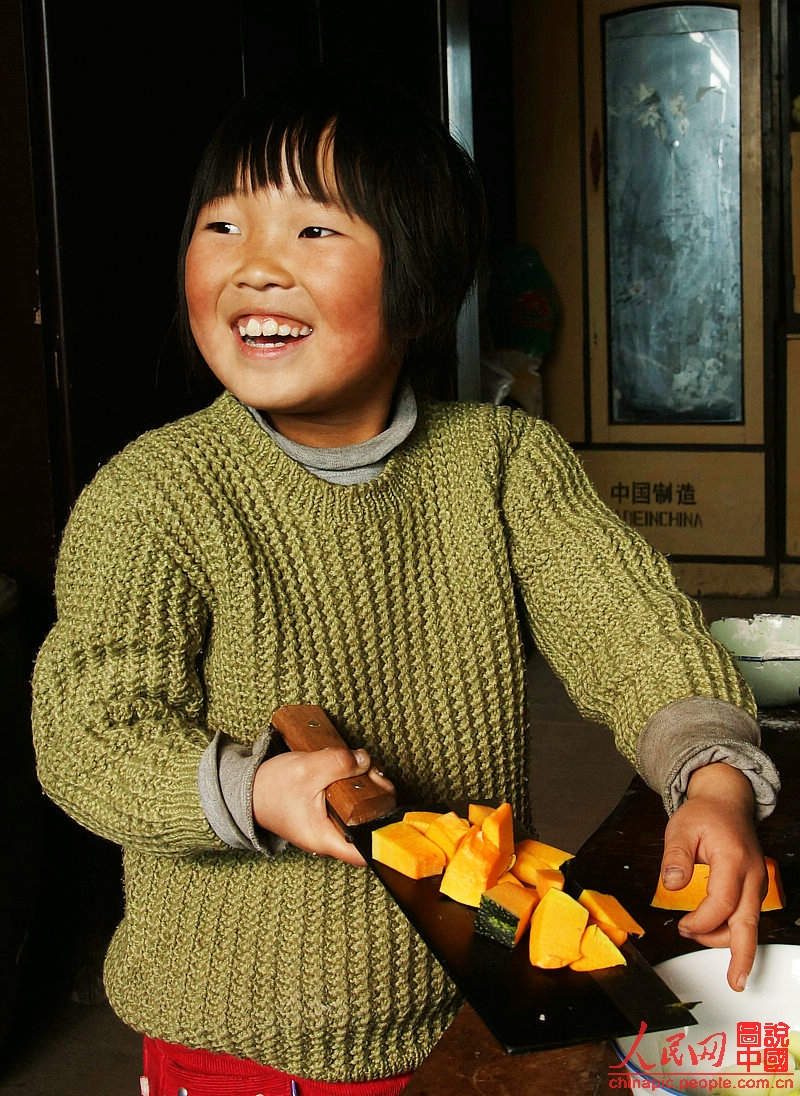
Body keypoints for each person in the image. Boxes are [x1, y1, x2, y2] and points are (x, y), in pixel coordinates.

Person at [31, 68, 779, 1095]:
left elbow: (627, 624)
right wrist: (253, 789)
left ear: (417, 287)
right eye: (221, 229)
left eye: (311, 233)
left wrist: (711, 772)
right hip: (229, 1045)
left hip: (463, 1004)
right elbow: (90, 732)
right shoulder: (156, 495)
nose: (254, 268)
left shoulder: (502, 463)